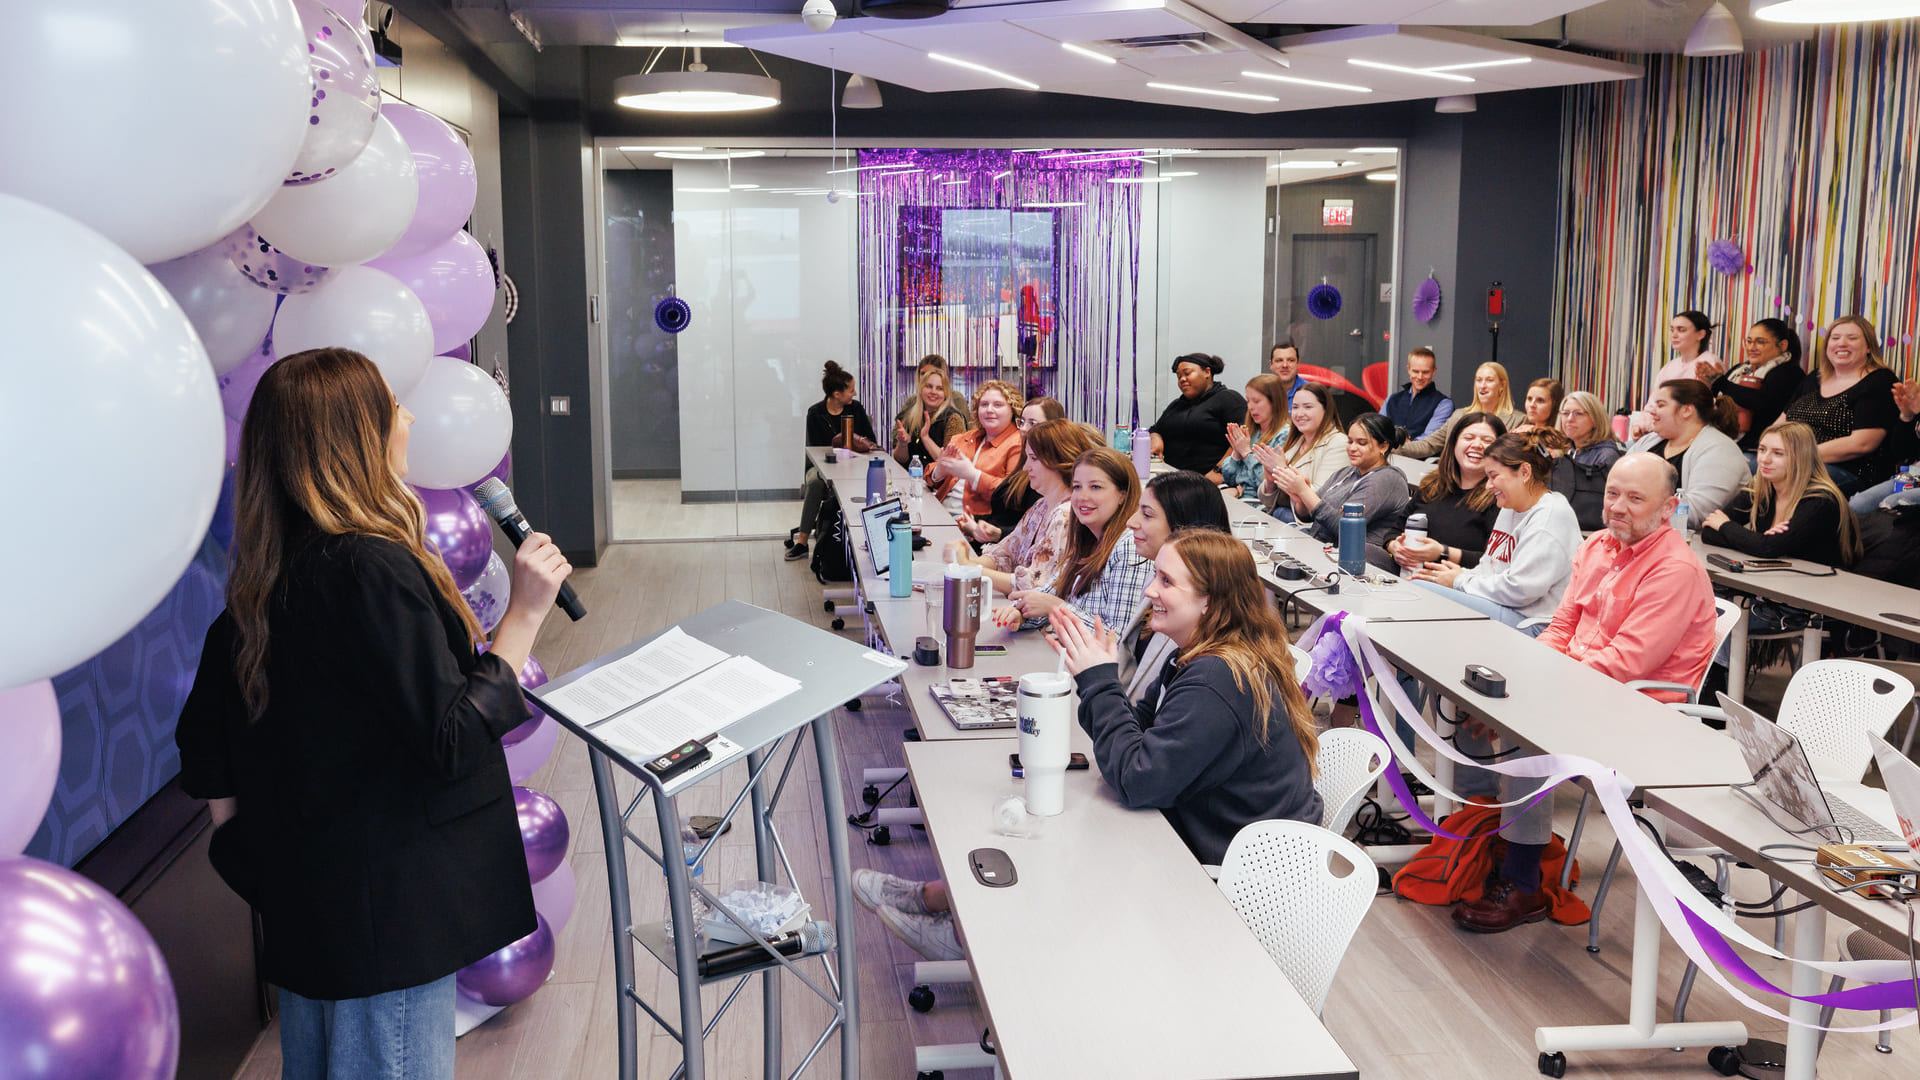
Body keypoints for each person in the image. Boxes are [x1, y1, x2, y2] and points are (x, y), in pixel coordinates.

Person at [174, 348, 574, 1075]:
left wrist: (266, 873)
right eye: (394, 409)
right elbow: (453, 738)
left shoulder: (261, 587)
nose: (411, 419)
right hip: (388, 924)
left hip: (313, 920)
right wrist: (525, 615)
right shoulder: (371, 568)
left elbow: (210, 763)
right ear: (353, 438)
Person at [1452, 452, 1718, 933]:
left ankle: (1522, 879)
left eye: (1635, 498)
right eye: (1613, 493)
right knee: (1474, 692)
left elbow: (1623, 665)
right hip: (1583, 689)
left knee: (1522, 734)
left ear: (1668, 508)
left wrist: (1534, 696)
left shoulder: (1673, 570)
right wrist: (1530, 681)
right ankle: (1479, 833)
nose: (1617, 506)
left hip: (1640, 713)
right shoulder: (1598, 546)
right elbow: (1560, 627)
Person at [1051, 530, 1324, 864]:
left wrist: (1100, 683)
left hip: (1242, 873)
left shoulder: (1216, 679)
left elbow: (1137, 779)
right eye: (1155, 575)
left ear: (1208, 600)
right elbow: (1139, 735)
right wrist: (1097, 678)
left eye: (1166, 581)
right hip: (1220, 835)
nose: (1150, 590)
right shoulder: (1192, 656)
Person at [1410, 429, 1583, 634]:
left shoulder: (1551, 515)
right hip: (1507, 607)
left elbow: (1521, 590)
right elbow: (1489, 568)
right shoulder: (1510, 506)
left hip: (1534, 624)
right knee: (1420, 585)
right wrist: (1457, 576)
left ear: (1525, 472)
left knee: (1423, 593)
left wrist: (1459, 581)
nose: (1488, 486)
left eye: (1493, 476)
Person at [995, 448, 1153, 632]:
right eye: (1077, 487)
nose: (1082, 497)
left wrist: (1057, 608)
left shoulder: (1129, 546)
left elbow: (1117, 638)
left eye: (1095, 487)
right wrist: (1019, 614)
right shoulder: (1086, 539)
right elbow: (1047, 594)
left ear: (1122, 495)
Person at [947, 418, 1102, 596]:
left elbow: (1034, 585)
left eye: (1034, 459)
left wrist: (969, 568)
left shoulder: (1065, 515)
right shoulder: (1041, 506)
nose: (1026, 467)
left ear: (1058, 460)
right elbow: (1005, 554)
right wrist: (964, 563)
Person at [1116, 470, 1233, 701]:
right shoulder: (1159, 578)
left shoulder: (1209, 663)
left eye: (1147, 515)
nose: (1131, 522)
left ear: (1184, 527)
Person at [1702, 422, 1861, 567]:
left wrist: (1726, 526)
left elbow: (1768, 548)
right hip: (1777, 582)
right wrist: (1757, 542)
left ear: (1800, 458)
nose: (1765, 459)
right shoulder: (1759, 488)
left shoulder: (1820, 500)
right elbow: (1709, 533)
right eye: (1762, 450)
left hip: (1821, 589)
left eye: (1778, 453)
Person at [1781, 316, 1902, 491]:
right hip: (1792, 461)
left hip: (1850, 472)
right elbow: (1780, 423)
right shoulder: (1814, 378)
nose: (1842, 343)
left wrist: (1797, 456)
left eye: (1852, 338)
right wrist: (1769, 451)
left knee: (1779, 476)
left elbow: (1863, 443)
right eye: (1835, 338)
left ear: (1868, 347)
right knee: (1749, 464)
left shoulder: (1879, 381)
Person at [1376, 412, 1505, 573]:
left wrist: (1442, 552)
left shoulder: (1501, 498)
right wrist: (1395, 547)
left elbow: (1495, 563)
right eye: (1469, 437)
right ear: (1454, 443)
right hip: (1408, 574)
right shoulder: (1432, 485)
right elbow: (1394, 532)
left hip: (1455, 585)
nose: (1477, 445)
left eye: (1487, 441)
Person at [1265, 412, 1411, 550]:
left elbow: (1345, 528)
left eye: (1361, 443)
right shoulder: (1346, 472)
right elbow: (1310, 515)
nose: (1352, 448)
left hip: (1357, 560)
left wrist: (1304, 491)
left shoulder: (1388, 480)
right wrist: (1300, 499)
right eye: (1350, 441)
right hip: (1321, 546)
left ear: (1383, 446)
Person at [1626, 378, 1750, 522]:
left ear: (1686, 410)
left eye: (1660, 405)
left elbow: (1695, 513)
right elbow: (1618, 481)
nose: (1652, 412)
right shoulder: (1650, 441)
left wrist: (1634, 511)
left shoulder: (1721, 451)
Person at [788, 360, 877, 562]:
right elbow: (816, 451)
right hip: (820, 468)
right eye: (851, 390)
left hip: (855, 466)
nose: (854, 394)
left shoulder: (856, 410)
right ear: (837, 394)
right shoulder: (815, 414)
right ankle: (802, 542)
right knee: (814, 483)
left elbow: (871, 441)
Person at [958, 396, 1068, 546]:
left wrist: (997, 533)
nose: (1023, 428)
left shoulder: (1046, 473)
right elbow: (1007, 515)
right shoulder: (1024, 461)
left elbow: (1033, 532)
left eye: (1032, 423)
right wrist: (976, 521)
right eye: (1022, 422)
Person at [1250, 382, 1348, 515]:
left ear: (1326, 410)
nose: (1299, 413)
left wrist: (1282, 471)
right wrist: (1270, 481)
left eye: (1308, 407)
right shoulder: (1296, 441)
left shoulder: (1338, 443)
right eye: (1295, 407)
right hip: (1280, 518)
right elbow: (1266, 502)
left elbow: (1321, 500)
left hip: (1307, 528)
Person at [930, 379, 1024, 518]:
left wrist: (973, 475)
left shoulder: (1018, 444)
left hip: (975, 526)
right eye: (984, 404)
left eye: (998, 405)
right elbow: (930, 478)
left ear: (1013, 410)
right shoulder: (965, 438)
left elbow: (1013, 495)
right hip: (940, 513)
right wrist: (938, 473)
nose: (989, 410)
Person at [1710, 319, 1804, 454]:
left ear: (1782, 345)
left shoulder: (1791, 372)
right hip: (1723, 438)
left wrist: (1720, 381)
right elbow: (1719, 392)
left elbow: (1761, 402)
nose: (1751, 347)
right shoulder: (1740, 369)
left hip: (1758, 448)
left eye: (1760, 342)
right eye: (1749, 341)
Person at [1150, 353, 1247, 473]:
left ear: (1207, 372)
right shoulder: (1177, 405)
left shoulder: (1228, 399)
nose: (1182, 379)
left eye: (1187, 373)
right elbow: (1155, 429)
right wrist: (1156, 438)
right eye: (1179, 376)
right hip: (1173, 477)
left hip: (1209, 479)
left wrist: (1219, 470)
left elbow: (1245, 436)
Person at [1402, 362, 1521, 459]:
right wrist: (1390, 448)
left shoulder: (1518, 420)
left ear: (1502, 385)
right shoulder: (1459, 416)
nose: (1482, 385)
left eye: (1489, 380)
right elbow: (1428, 445)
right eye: (1479, 380)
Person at [1629, 311, 1719, 438]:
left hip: (1689, 435)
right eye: (1672, 330)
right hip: (1660, 431)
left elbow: (1700, 410)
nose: (1674, 335)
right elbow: (1653, 403)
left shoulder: (1709, 365)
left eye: (1681, 330)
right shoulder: (1669, 367)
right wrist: (1640, 425)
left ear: (1701, 334)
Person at [1550, 390, 1624, 531]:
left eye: (1578, 413)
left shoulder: (1607, 456)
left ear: (1595, 418)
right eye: (1565, 413)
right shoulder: (1570, 450)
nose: (1570, 419)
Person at [1847, 375, 1920, 514]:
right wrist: (1907, 416)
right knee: (1857, 505)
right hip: (1915, 472)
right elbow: (1902, 452)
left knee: (1894, 503)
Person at [1211, 373, 1289, 498]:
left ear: (1274, 402)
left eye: (1256, 401)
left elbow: (1266, 484)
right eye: (1248, 401)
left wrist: (1246, 453)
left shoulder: (1284, 434)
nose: (1250, 407)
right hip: (1240, 498)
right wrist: (1236, 453)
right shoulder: (1251, 431)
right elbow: (1229, 479)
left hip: (1260, 506)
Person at [892, 357, 971, 470]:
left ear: (946, 394)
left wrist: (926, 438)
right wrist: (902, 444)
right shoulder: (910, 416)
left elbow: (952, 462)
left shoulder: (953, 419)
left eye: (939, 388)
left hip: (938, 484)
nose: (933, 392)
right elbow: (901, 459)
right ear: (921, 389)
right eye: (929, 386)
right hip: (910, 479)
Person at [1383, 347, 1455, 441]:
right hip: (1387, 452)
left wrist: (1402, 446)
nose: (1420, 377)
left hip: (1418, 455)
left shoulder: (1444, 404)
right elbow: (1378, 430)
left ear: (1434, 371)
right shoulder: (1392, 399)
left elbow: (1429, 442)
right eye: (1415, 371)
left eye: (1425, 372)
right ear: (1408, 369)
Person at [1268, 340, 1307, 407]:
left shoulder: (1311, 392)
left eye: (1291, 360)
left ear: (1298, 363)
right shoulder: (1262, 392)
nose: (1285, 365)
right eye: (1279, 360)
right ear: (1271, 364)